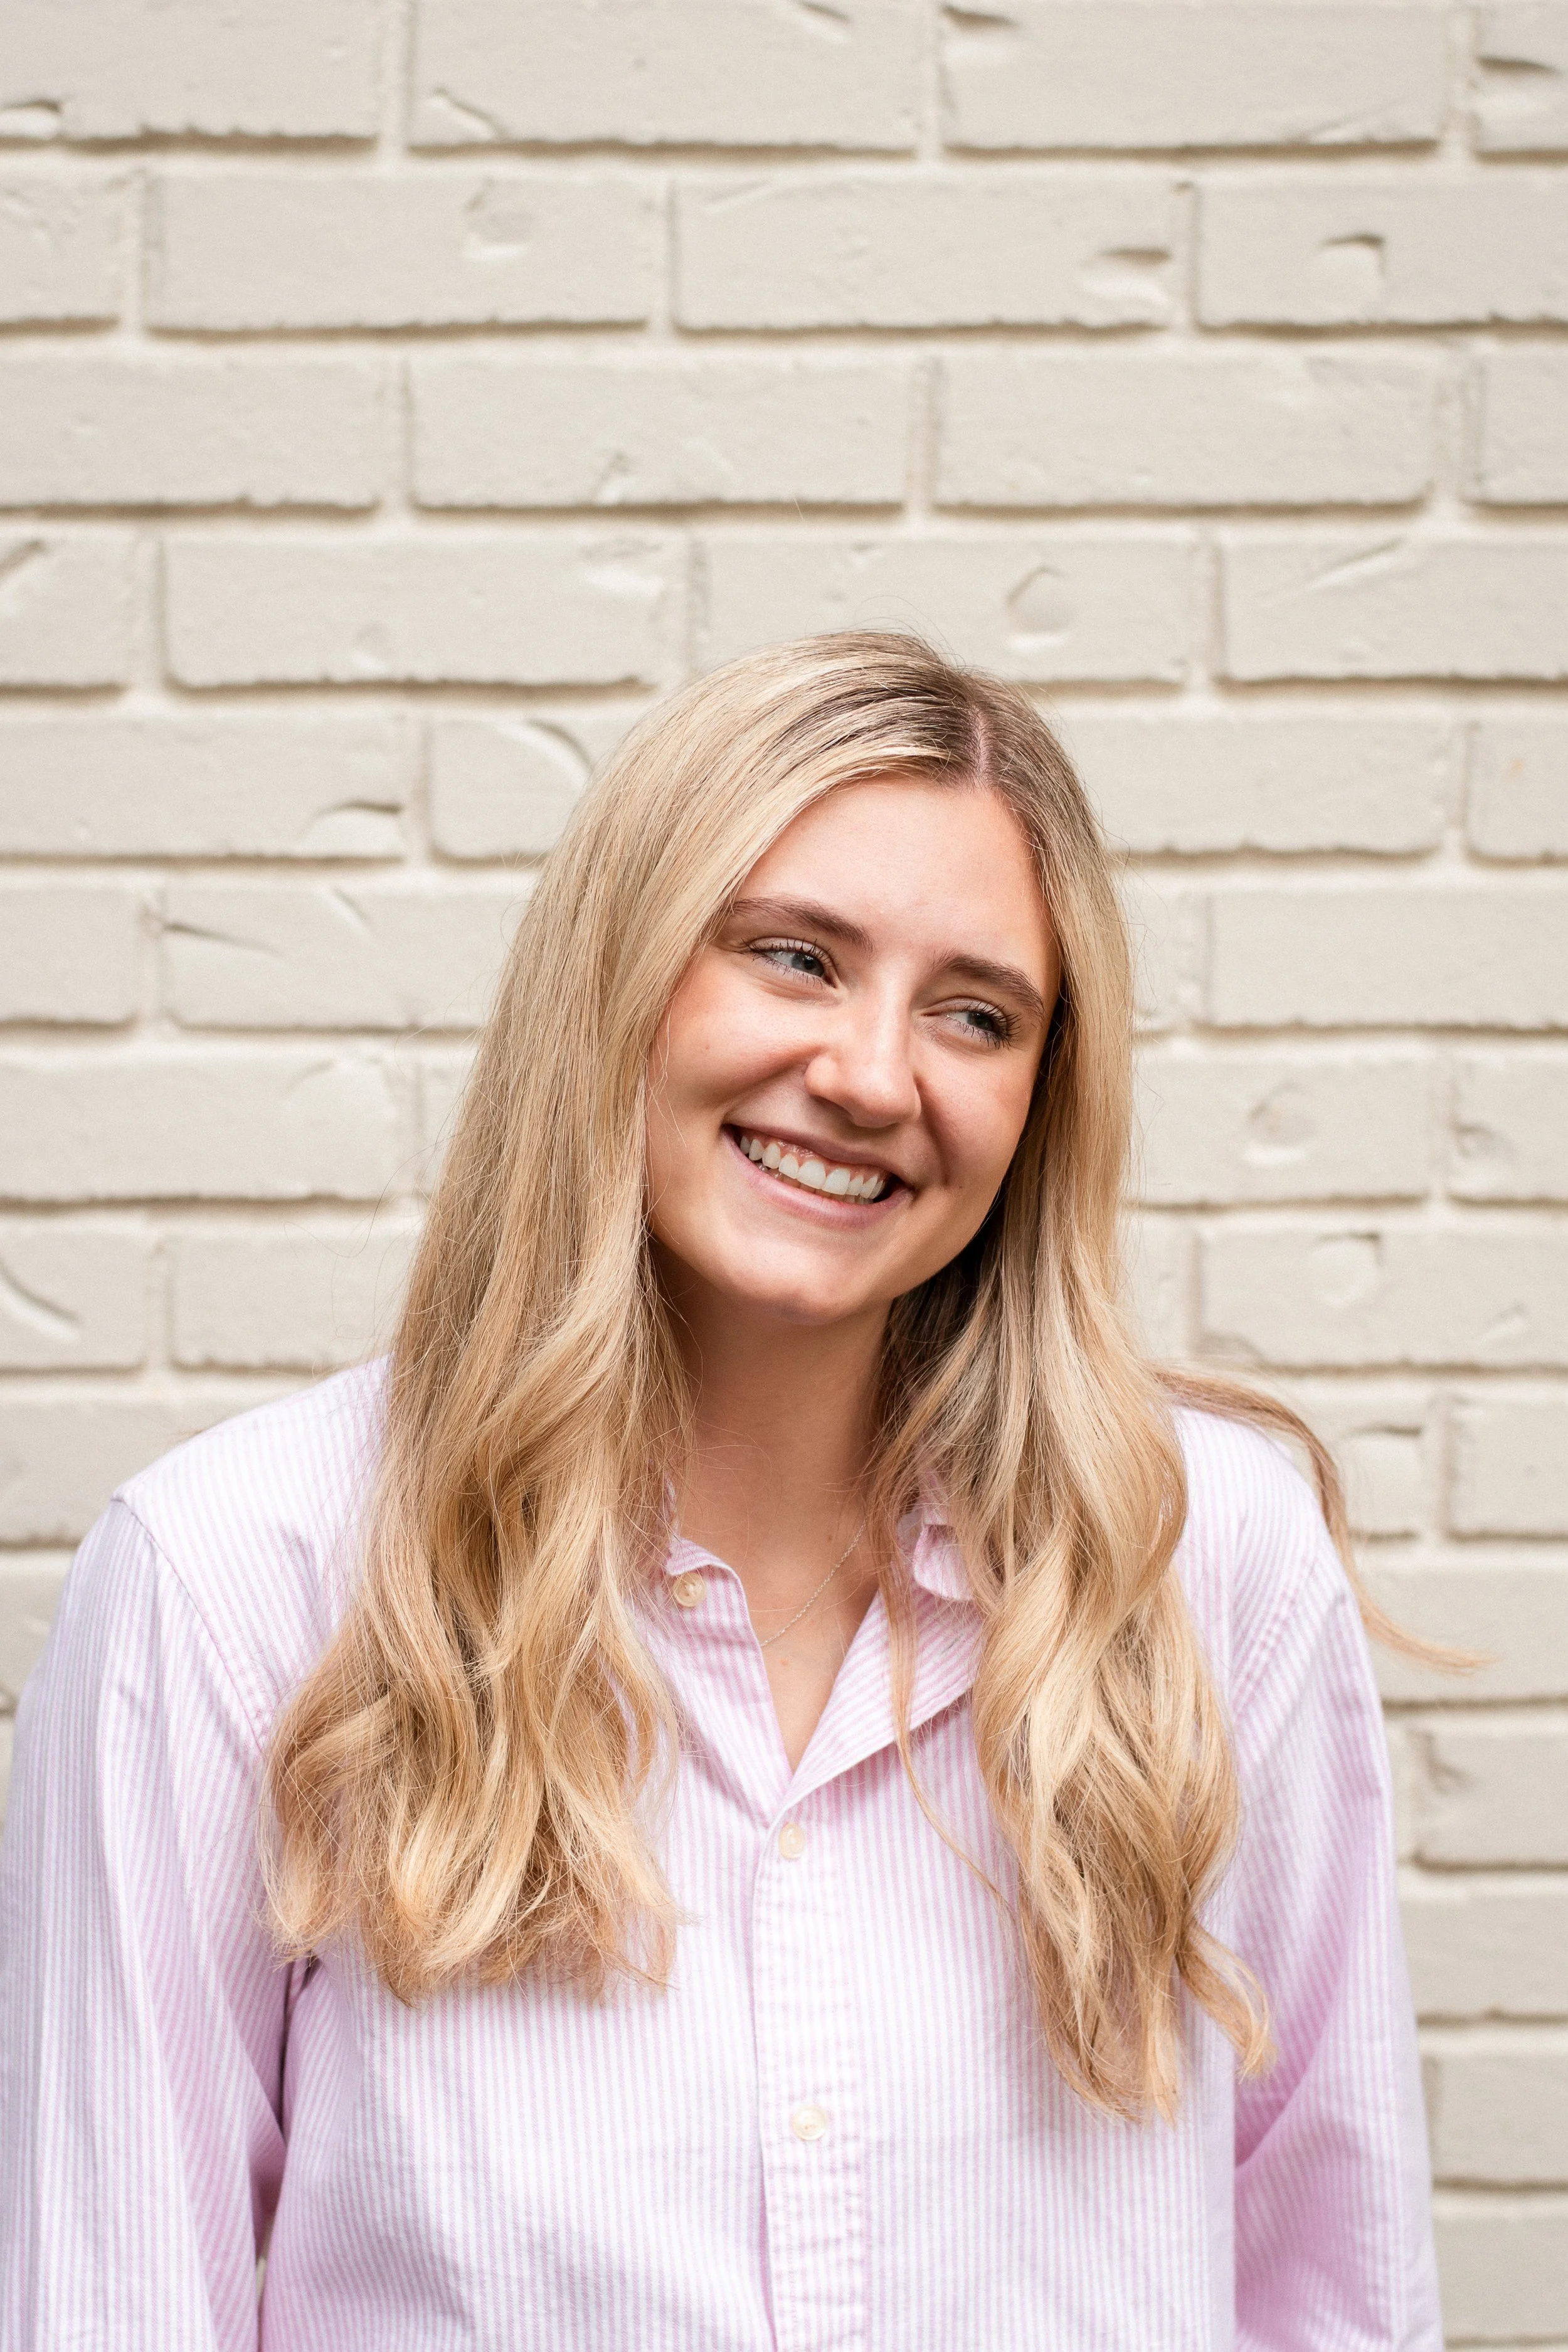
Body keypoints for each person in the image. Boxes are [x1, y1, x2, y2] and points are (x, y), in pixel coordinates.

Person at [0, 633, 1441, 2349]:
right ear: (619, 975)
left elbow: (1333, 2284)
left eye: (975, 1011)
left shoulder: (1204, 1558)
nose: (872, 1072)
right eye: (793, 957)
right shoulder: (234, 1577)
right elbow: (114, 2293)